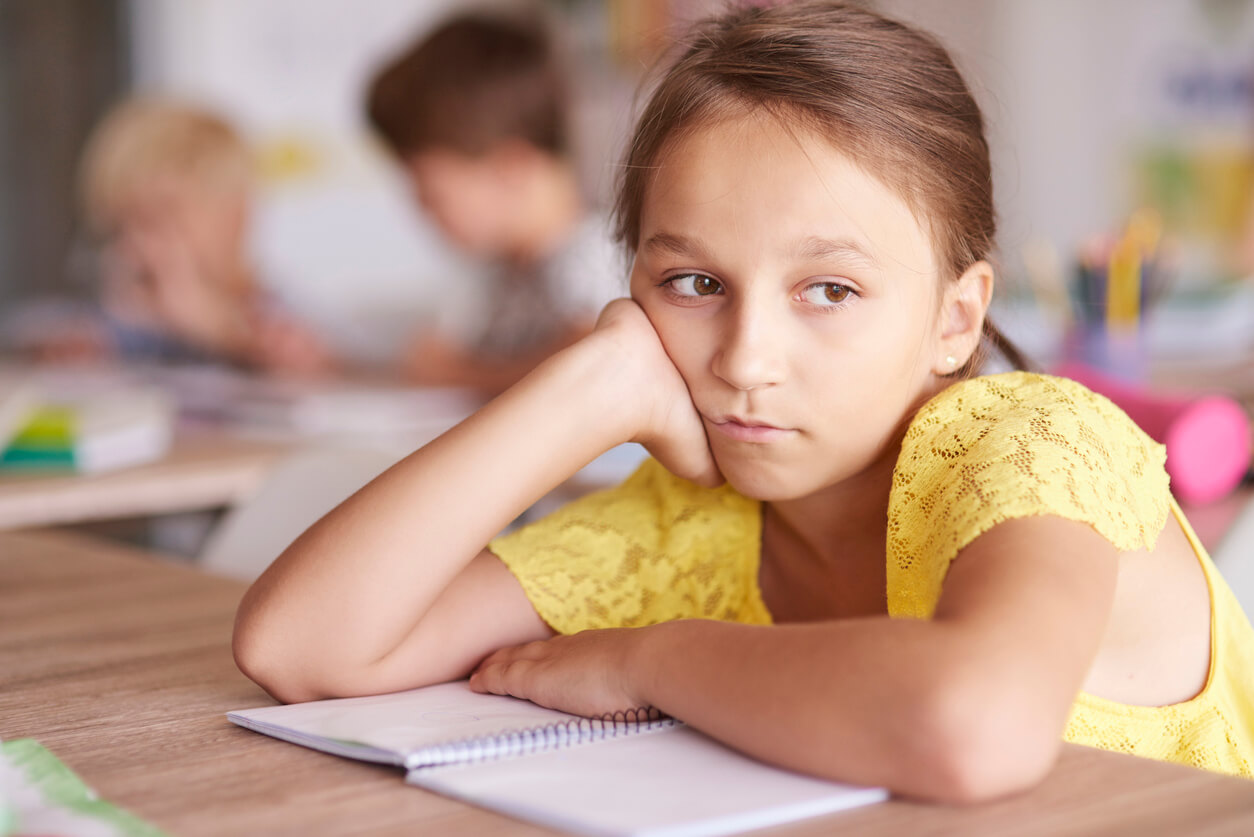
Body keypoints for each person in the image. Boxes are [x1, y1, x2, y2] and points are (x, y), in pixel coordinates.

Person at [233, 1, 1254, 801]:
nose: (746, 359)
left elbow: (971, 725)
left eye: (830, 291)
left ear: (955, 319)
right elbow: (303, 649)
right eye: (694, 284)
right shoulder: (694, 522)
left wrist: (653, 659)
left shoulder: (1034, 441)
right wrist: (585, 388)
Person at [365, 12, 618, 394]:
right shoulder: (506, 273)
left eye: (433, 193)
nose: (419, 209)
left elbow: (596, 363)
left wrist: (457, 374)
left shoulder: (591, 257)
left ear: (510, 168)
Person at [15, 99, 334, 374]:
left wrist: (218, 328)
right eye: (119, 226)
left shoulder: (277, 317)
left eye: (161, 219)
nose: (138, 244)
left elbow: (322, 369)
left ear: (237, 215)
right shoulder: (117, 322)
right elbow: (29, 329)